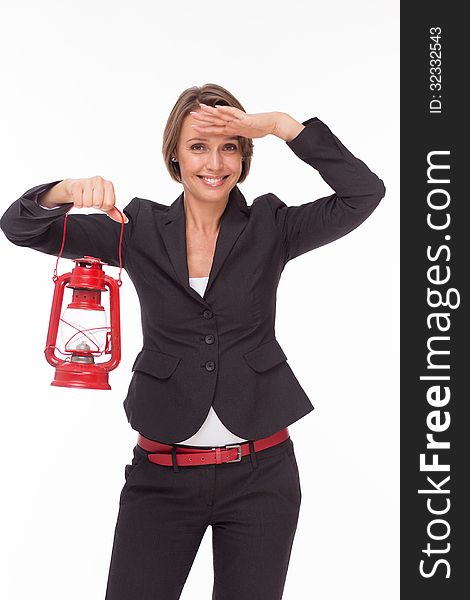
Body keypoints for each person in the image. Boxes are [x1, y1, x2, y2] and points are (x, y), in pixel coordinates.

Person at [0, 83, 386, 599]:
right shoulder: (133, 229)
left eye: (229, 145)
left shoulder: (272, 226)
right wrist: (63, 192)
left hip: (262, 478)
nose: (215, 162)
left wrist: (280, 126)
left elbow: (364, 192)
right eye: (198, 146)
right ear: (175, 156)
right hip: (161, 477)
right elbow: (20, 228)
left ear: (245, 155)